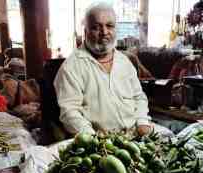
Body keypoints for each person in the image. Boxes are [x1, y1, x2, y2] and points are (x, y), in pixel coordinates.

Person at [53, 3, 153, 136]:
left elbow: (139, 97)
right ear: (86, 32)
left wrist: (142, 122)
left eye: (109, 26)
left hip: (135, 134)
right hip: (101, 142)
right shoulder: (71, 66)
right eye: (96, 27)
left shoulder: (124, 62)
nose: (104, 32)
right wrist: (93, 138)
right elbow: (69, 113)